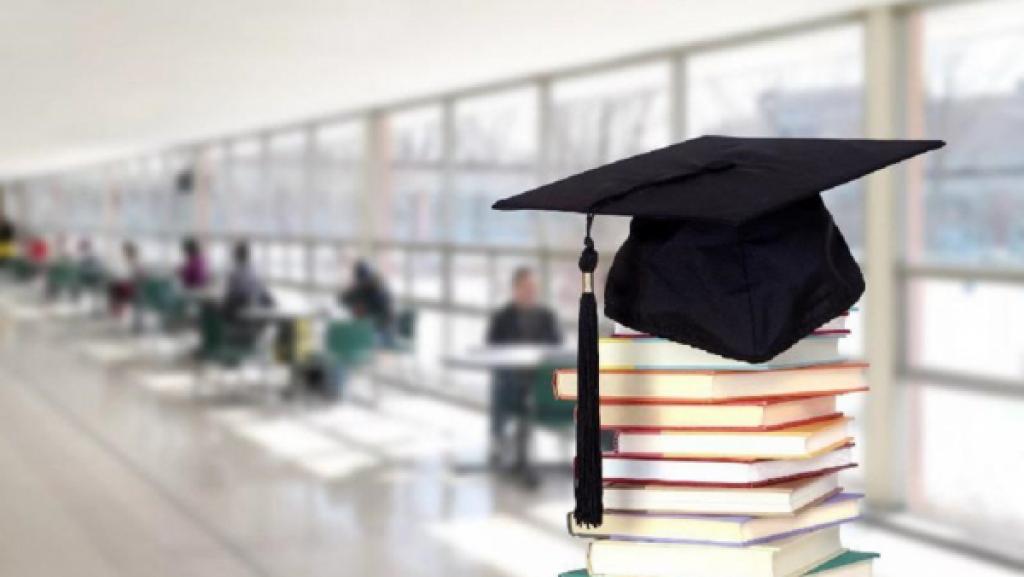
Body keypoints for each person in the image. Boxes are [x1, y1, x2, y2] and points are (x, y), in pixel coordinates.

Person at [485, 267, 562, 473]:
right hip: (513, 376)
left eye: (533, 288)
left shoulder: (546, 316)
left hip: (541, 378)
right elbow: (492, 348)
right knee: (501, 384)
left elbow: (557, 347)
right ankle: (499, 439)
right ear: (515, 289)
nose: (530, 292)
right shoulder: (502, 317)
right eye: (526, 287)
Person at [340, 260, 394, 343]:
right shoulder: (360, 289)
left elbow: (386, 314)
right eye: (360, 280)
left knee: (366, 340)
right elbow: (343, 299)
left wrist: (365, 310)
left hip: (381, 330)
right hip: (363, 329)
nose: (363, 283)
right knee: (347, 338)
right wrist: (351, 288)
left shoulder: (379, 289)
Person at [223, 241, 271, 320]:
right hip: (255, 302)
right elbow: (260, 287)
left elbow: (229, 291)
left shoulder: (234, 272)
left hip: (242, 305)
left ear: (236, 255)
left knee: (221, 306)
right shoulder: (254, 269)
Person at [108, 241, 142, 316]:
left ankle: (118, 309)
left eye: (125, 251)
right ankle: (117, 309)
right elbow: (121, 273)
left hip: (130, 287)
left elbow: (136, 276)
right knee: (113, 285)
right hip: (123, 285)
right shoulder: (124, 261)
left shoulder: (135, 262)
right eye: (124, 251)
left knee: (116, 287)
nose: (124, 253)